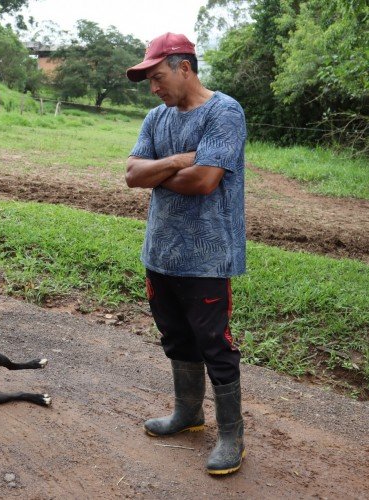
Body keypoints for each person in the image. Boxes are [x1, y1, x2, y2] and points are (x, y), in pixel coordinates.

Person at [124, 32, 247, 475]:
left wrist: (157, 173)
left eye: (158, 77)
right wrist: (177, 161)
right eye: (149, 82)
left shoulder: (225, 112)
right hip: (160, 253)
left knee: (214, 344)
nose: (154, 88)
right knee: (175, 338)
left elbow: (206, 181)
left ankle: (232, 433)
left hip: (208, 257)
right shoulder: (156, 118)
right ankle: (188, 413)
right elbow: (132, 175)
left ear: (185, 68)